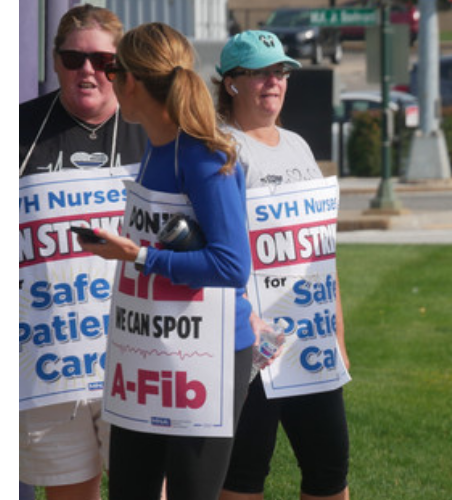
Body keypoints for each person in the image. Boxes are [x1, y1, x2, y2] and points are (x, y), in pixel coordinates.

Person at [78, 22, 253, 500]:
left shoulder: (201, 155)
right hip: (146, 352)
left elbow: (232, 265)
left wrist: (139, 255)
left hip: (208, 357)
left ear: (130, 81)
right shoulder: (155, 149)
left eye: (112, 70)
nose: (107, 79)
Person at [213, 30, 351, 500]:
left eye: (281, 71)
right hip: (249, 344)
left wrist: (337, 337)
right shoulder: (218, 147)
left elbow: (320, 256)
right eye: (261, 73)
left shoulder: (298, 146)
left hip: (309, 340)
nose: (274, 81)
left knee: (331, 470)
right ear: (231, 82)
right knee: (244, 475)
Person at [18, 4, 145, 500]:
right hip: (50, 363)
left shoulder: (153, 131)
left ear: (122, 66)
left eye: (102, 60)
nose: (87, 70)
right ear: (55, 62)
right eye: (73, 58)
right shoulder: (19, 129)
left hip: (135, 357)